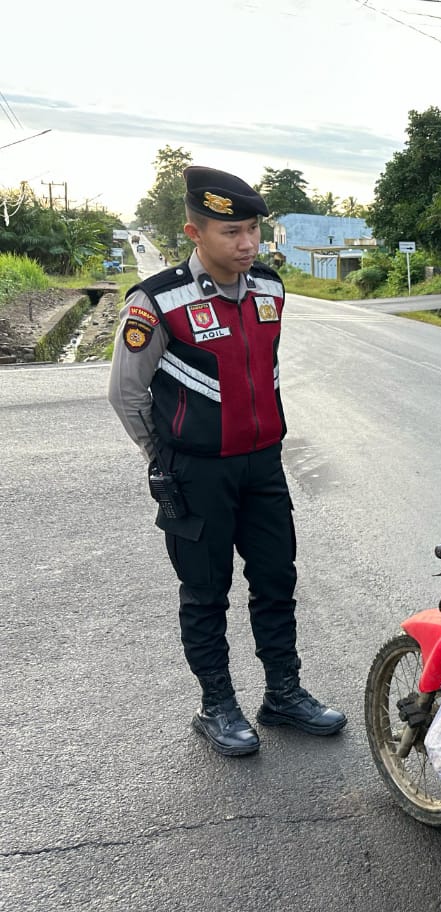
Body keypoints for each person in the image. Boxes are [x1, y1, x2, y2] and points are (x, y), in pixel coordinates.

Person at [107, 166, 345, 757]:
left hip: (263, 465)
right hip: (196, 473)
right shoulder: (156, 302)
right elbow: (126, 393)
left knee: (276, 580)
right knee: (205, 590)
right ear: (195, 232)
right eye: (231, 232)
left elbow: (263, 373)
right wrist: (160, 457)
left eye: (253, 230)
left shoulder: (270, 288)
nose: (247, 244)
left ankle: (283, 694)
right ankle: (216, 704)